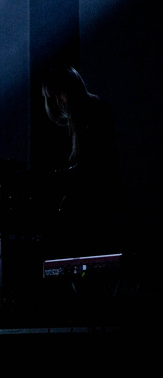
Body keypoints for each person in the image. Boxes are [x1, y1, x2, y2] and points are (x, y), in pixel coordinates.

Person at [39, 65, 122, 256]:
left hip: (99, 206)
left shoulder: (95, 111)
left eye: (59, 93)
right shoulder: (78, 117)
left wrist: (51, 179)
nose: (59, 100)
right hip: (93, 203)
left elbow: (94, 168)